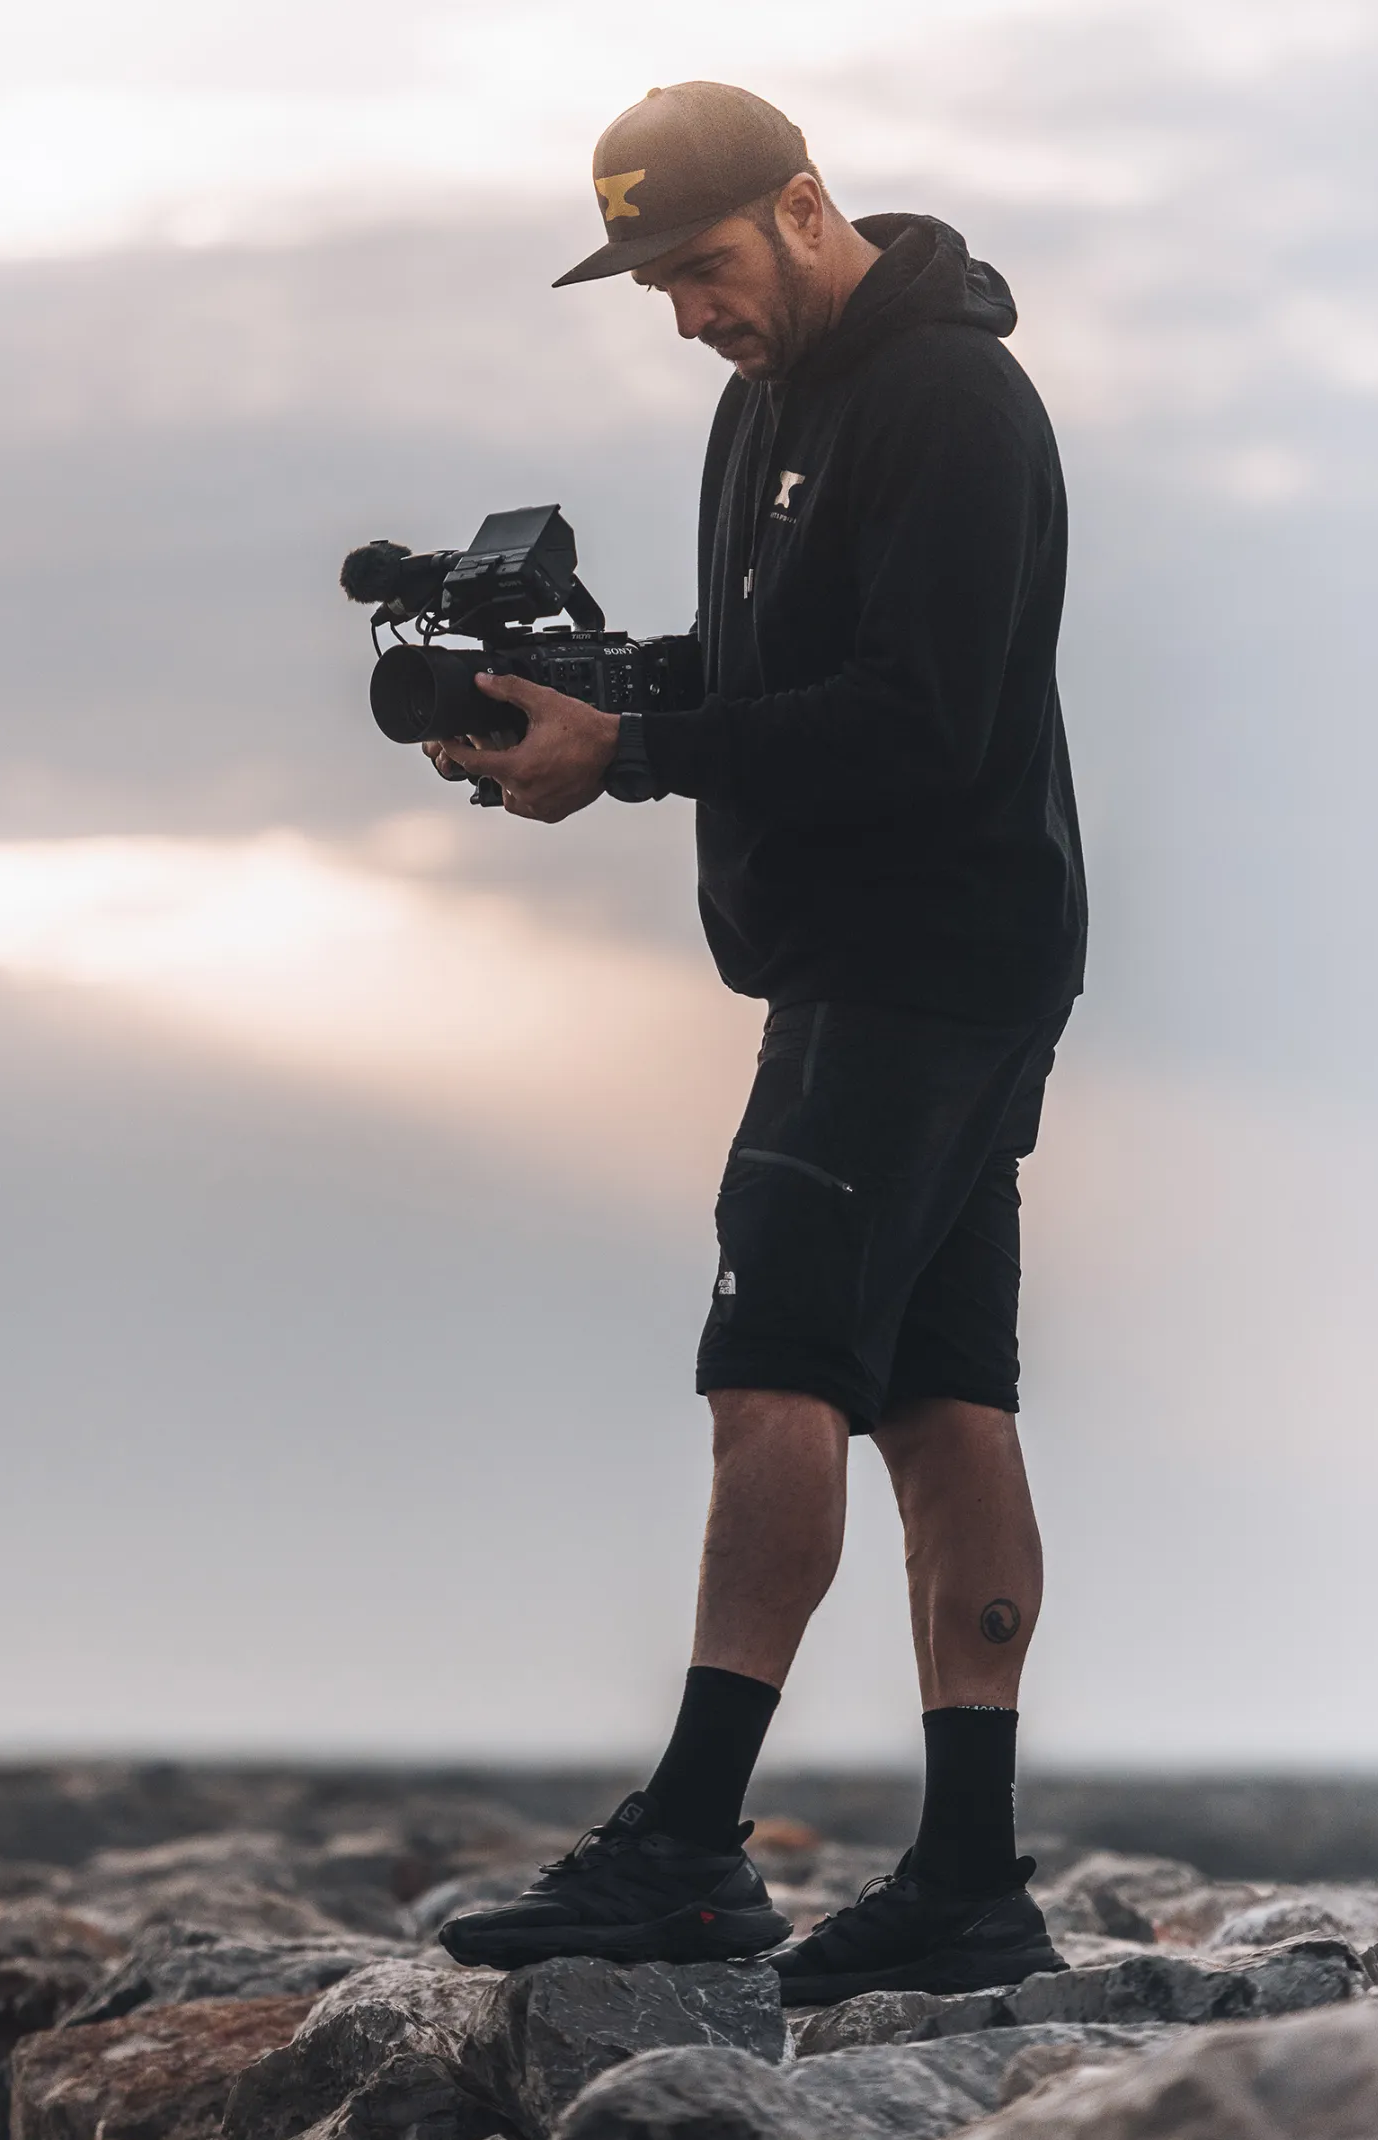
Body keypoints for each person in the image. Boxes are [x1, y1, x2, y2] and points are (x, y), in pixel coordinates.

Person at [428, 81, 1087, 2005]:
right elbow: (771, 671)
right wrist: (594, 696)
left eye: (703, 268)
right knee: (941, 1394)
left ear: (806, 210)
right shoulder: (761, 410)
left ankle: (693, 1849)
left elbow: (926, 715)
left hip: (923, 955)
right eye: (654, 285)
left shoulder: (957, 404)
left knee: (771, 1360)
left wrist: (632, 757)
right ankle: (969, 1880)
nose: (686, 314)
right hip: (872, 957)